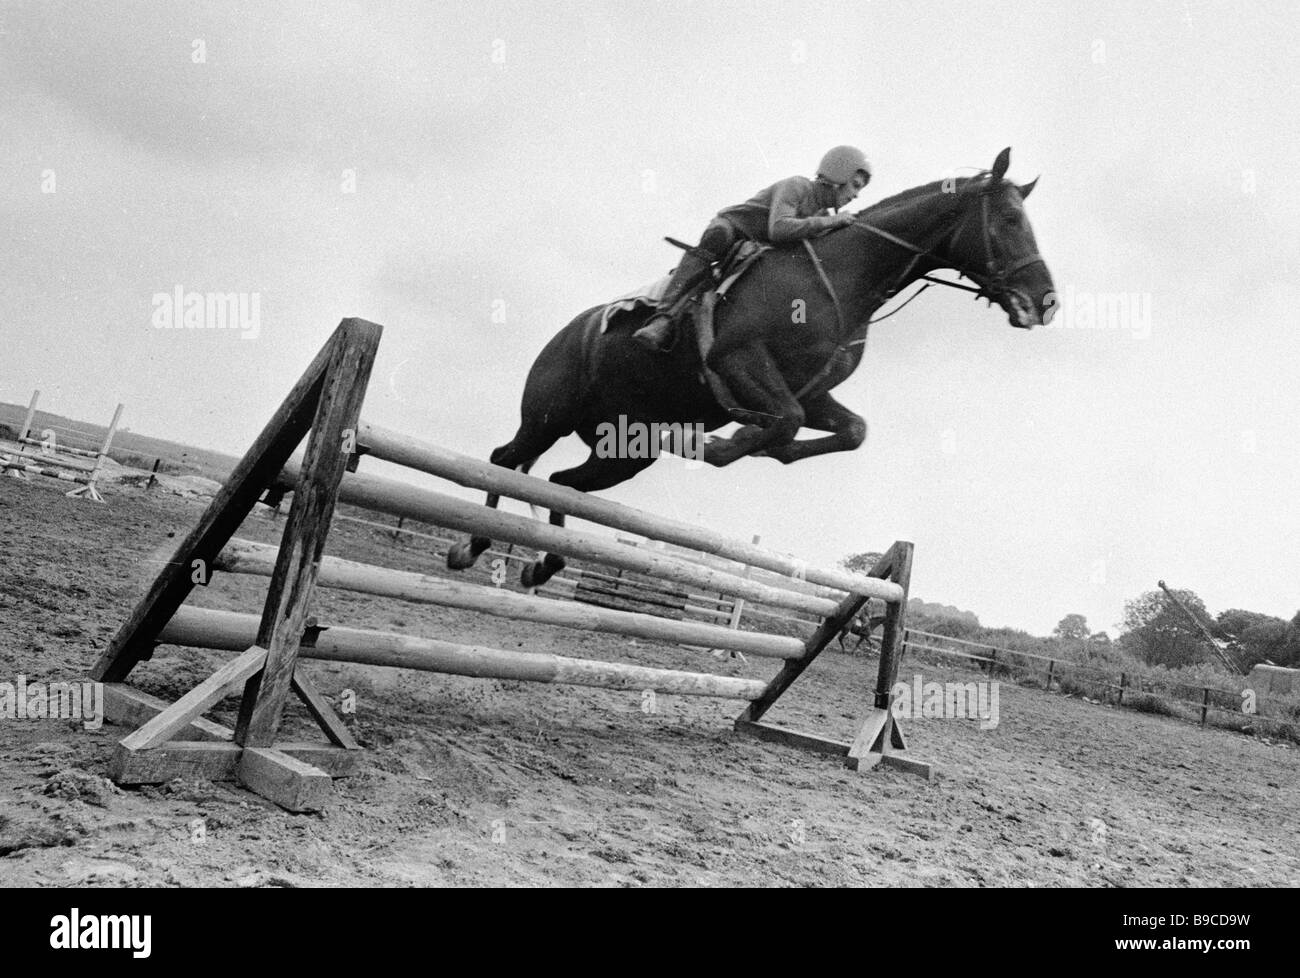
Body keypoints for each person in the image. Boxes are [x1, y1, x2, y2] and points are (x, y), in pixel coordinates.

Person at [632, 145, 872, 352]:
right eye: (855, 185)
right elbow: (778, 228)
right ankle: (662, 319)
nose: (855, 195)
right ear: (839, 175)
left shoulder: (822, 213)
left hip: (759, 248)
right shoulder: (797, 186)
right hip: (734, 229)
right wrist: (829, 222)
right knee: (718, 237)